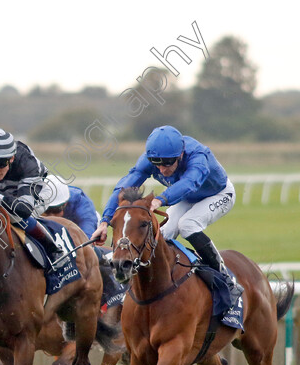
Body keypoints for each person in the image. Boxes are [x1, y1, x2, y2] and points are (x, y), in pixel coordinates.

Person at [89, 125, 243, 297]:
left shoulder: (199, 156)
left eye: (168, 163)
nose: (162, 169)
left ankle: (224, 277)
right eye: (157, 164)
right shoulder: (153, 158)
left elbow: (189, 183)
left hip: (219, 194)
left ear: (181, 155)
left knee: (187, 225)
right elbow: (122, 190)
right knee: (162, 234)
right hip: (187, 198)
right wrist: (104, 222)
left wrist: (159, 200)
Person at [0, 127, 68, 267]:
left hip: (35, 192)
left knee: (15, 217)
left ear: (11, 158)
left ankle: (54, 250)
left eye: (0, 165)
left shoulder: (28, 164)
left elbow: (23, 210)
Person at [40, 174, 100, 240]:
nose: (51, 216)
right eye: (47, 210)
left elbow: (87, 238)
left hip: (80, 227)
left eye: (56, 210)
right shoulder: (35, 199)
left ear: (65, 203)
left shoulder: (82, 203)